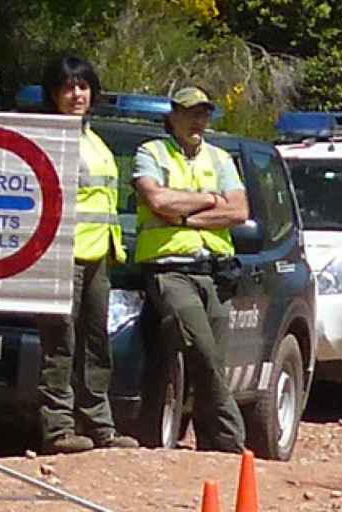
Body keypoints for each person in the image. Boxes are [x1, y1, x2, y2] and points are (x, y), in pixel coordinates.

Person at [132, 86, 248, 453]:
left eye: (203, 113)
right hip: (169, 270)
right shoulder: (151, 152)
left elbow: (239, 212)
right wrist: (211, 201)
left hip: (215, 271)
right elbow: (155, 199)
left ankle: (211, 449)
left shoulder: (221, 158)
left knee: (213, 356)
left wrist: (184, 217)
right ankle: (232, 441)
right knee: (203, 352)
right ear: (173, 117)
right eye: (189, 112)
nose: (197, 120)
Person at [36, 55, 139, 453]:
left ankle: (100, 426)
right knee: (60, 343)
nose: (76, 94)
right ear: (53, 94)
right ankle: (58, 429)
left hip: (98, 254)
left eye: (82, 86)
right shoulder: (50, 138)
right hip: (61, 253)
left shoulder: (93, 139)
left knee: (97, 344)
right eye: (67, 87)